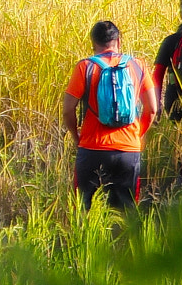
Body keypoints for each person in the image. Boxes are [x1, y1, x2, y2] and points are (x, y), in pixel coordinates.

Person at [61, 19, 157, 213]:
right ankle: (124, 243)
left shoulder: (85, 67)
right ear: (118, 41)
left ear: (93, 43)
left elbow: (67, 109)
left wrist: (75, 136)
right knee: (126, 212)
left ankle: (87, 243)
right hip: (128, 150)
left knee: (84, 209)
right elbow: (152, 108)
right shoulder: (138, 65)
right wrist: (138, 135)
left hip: (92, 147)